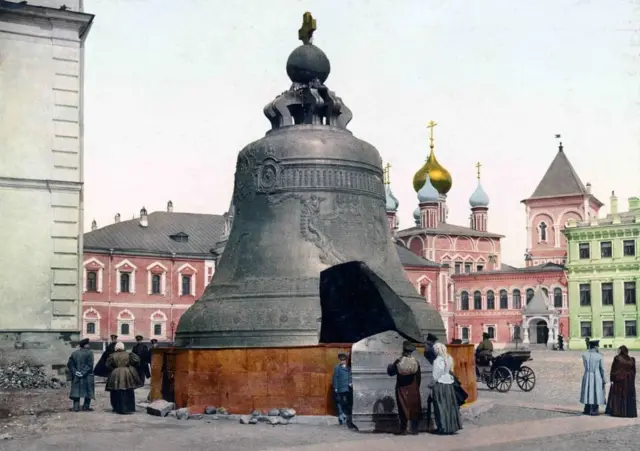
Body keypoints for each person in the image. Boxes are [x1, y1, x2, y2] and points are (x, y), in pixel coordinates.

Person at [387, 341, 422, 435]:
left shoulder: (399, 361)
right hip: (413, 388)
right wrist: (416, 387)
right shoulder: (416, 362)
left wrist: (390, 366)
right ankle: (414, 430)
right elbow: (418, 378)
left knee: (402, 408)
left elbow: (391, 373)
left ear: (403, 350)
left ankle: (403, 429)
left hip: (401, 389)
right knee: (414, 408)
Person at [430, 343, 463, 434]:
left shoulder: (437, 361)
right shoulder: (449, 358)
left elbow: (435, 376)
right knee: (449, 406)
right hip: (449, 384)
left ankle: (442, 427)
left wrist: (431, 385)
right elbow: (451, 370)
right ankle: (451, 426)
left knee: (440, 406)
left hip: (440, 385)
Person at [105, 342, 144, 414]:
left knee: (115, 391)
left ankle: (117, 408)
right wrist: (130, 365)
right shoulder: (128, 354)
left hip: (115, 373)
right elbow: (137, 360)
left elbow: (107, 365)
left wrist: (114, 369)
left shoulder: (112, 355)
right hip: (127, 372)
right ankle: (128, 408)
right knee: (128, 390)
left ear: (116, 348)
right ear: (123, 347)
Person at [605, 345, 637, 417]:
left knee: (618, 396)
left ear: (621, 351)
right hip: (628, 381)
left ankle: (618, 412)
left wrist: (612, 379)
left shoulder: (617, 358)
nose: (617, 351)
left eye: (618, 350)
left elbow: (614, 370)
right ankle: (627, 412)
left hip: (618, 381)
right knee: (626, 396)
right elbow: (633, 372)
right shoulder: (632, 360)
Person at [67, 338, 95, 412]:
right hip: (87, 376)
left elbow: (70, 364)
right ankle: (86, 406)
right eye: (87, 344)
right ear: (85, 345)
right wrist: (82, 373)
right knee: (88, 390)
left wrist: (76, 372)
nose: (88, 345)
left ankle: (76, 407)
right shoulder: (90, 353)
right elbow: (90, 365)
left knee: (76, 390)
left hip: (76, 375)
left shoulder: (74, 353)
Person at [580, 339, 606, 415]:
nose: (598, 347)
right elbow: (602, 369)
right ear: (595, 346)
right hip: (596, 374)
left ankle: (587, 408)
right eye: (598, 346)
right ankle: (594, 409)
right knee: (596, 391)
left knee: (587, 391)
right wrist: (604, 378)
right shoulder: (599, 356)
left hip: (587, 374)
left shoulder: (585, 355)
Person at [332, 352, 352, 426]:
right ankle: (341, 414)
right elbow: (335, 378)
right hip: (340, 388)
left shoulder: (348, 368)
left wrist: (350, 382)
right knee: (339, 401)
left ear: (346, 360)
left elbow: (350, 376)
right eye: (341, 360)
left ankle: (345, 414)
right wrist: (336, 387)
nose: (342, 361)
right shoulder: (337, 368)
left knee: (346, 401)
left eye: (343, 360)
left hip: (347, 388)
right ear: (339, 360)